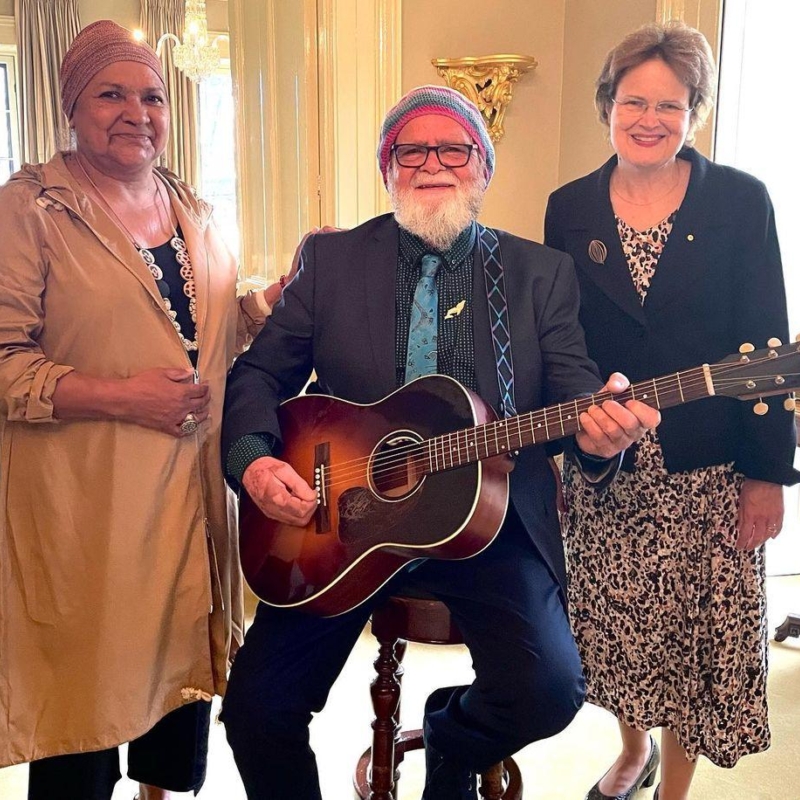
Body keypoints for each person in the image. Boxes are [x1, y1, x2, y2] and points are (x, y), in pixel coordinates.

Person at [220, 84, 660, 800]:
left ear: (482, 170)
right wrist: (256, 460)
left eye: (453, 148)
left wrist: (601, 439)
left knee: (548, 691)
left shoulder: (539, 274)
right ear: (387, 168)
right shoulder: (330, 263)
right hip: (342, 522)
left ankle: (449, 737)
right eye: (410, 150)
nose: (433, 164)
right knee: (256, 710)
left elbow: (577, 397)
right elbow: (259, 373)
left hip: (490, 521)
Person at [0, 20, 293, 800]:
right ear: (72, 106)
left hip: (190, 499)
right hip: (88, 500)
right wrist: (121, 395)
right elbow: (3, 359)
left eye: (153, 96)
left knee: (177, 673)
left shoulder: (190, 206)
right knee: (85, 694)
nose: (137, 112)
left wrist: (274, 301)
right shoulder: (29, 210)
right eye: (112, 94)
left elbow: (215, 327)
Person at [544, 21, 799, 800]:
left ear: (695, 113)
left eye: (670, 104)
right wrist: (577, 439)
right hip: (608, 467)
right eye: (633, 102)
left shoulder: (739, 201)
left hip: (710, 464)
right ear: (608, 106)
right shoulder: (569, 207)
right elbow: (562, 339)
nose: (649, 119)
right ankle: (631, 749)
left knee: (690, 642)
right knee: (616, 631)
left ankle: (673, 785)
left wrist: (767, 478)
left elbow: (769, 348)